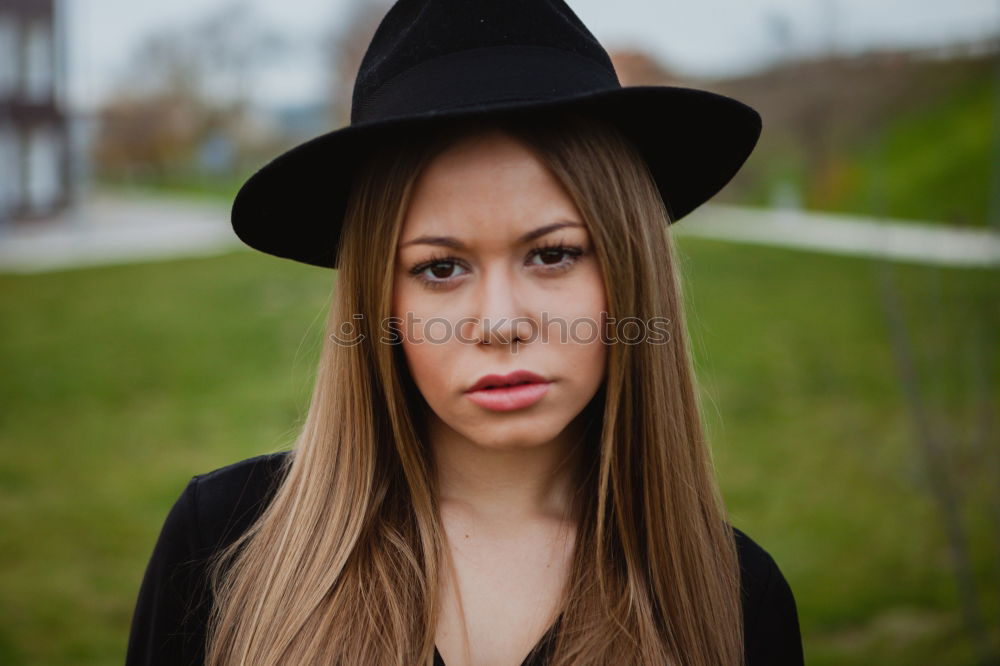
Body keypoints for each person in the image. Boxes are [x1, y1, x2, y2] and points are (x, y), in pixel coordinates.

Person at [126, 1, 805, 665]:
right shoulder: (221, 544)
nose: (502, 323)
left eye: (553, 253)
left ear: (632, 269)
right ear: (379, 301)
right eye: (440, 267)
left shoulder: (736, 601)